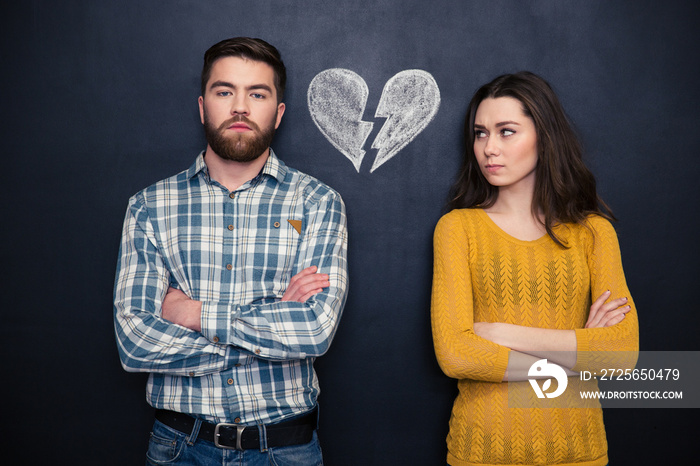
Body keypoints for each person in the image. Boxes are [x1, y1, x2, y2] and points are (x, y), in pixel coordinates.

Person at [113, 37, 348, 465]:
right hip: (179, 448)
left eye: (257, 94)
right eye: (225, 92)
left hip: (285, 449)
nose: (240, 107)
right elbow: (134, 342)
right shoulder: (149, 207)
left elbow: (314, 329)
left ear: (277, 113)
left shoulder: (318, 203)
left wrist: (192, 314)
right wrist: (272, 324)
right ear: (203, 106)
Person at [431, 71, 638, 466]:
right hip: (483, 452)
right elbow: (457, 354)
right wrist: (574, 356)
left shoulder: (593, 233)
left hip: (580, 451)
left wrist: (502, 333)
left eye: (506, 131)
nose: (489, 148)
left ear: (544, 136)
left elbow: (621, 354)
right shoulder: (459, 228)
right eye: (480, 133)